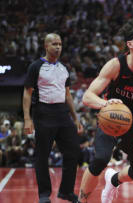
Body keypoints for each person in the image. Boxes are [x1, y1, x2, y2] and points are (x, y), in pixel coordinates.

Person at [77, 18, 133, 203]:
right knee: (100, 159)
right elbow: (88, 96)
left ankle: (113, 180)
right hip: (112, 116)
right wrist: (105, 104)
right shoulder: (115, 65)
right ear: (130, 44)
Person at [23, 33, 83, 203]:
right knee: (42, 155)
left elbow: (67, 95)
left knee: (73, 152)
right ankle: (44, 194)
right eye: (54, 44)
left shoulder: (64, 68)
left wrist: (75, 118)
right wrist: (27, 119)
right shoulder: (36, 66)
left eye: (60, 44)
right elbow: (27, 93)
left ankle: (66, 191)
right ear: (46, 46)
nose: (58, 47)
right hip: (43, 113)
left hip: (63, 114)